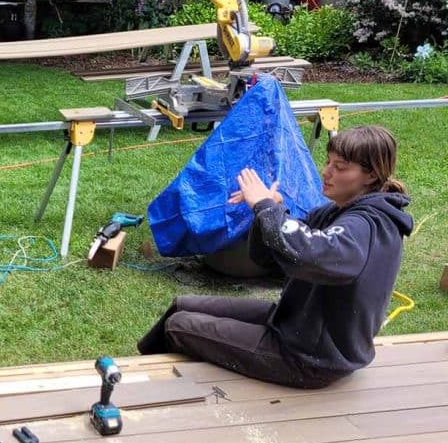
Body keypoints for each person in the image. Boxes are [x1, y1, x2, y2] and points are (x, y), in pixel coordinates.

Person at [137, 125, 413, 388]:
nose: (326, 172)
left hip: (310, 357)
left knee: (178, 327)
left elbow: (311, 255)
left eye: (340, 167)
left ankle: (143, 387)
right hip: (291, 323)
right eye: (328, 161)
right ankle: (133, 372)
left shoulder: (368, 225)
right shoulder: (334, 212)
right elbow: (273, 257)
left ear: (371, 175)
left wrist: (266, 207)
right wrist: (267, 213)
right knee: (181, 305)